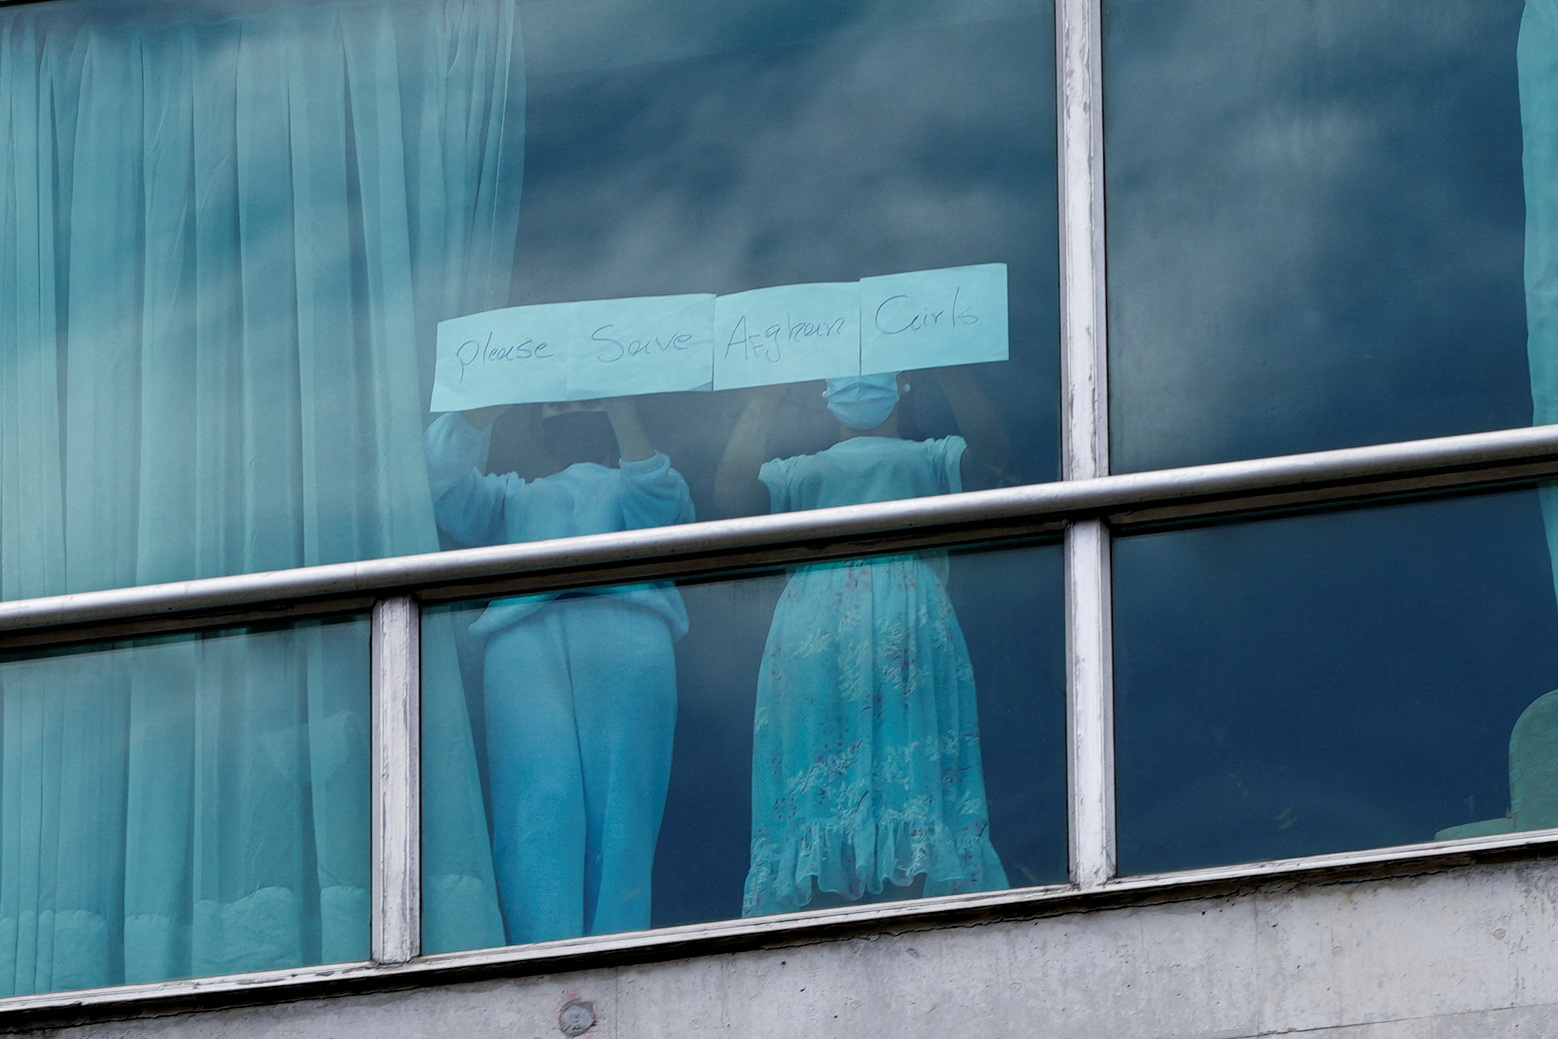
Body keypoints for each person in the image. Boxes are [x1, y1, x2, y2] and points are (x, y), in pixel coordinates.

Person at [715, 368, 1011, 916]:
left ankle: (904, 901)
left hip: (902, 624)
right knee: (822, 770)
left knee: (907, 772)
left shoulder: (931, 458)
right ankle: (824, 904)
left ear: (904, 383)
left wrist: (956, 374)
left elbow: (994, 459)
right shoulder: (798, 473)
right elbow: (731, 499)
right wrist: (761, 404)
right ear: (823, 392)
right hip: (820, 633)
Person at [425, 397, 692, 943]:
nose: (571, 408)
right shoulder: (510, 499)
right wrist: (485, 408)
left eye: (583, 398)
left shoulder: (640, 485)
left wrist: (622, 410)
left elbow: (665, 514)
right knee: (536, 809)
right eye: (555, 401)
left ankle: (616, 958)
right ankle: (541, 959)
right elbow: (435, 479)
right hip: (528, 651)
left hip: (627, 642)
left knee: (624, 814)